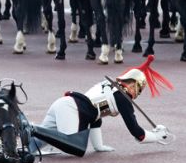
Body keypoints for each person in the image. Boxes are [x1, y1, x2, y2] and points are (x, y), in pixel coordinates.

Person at [30, 55, 174, 155]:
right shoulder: (122, 98)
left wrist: (98, 146)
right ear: (133, 85)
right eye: (139, 89)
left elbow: (95, 118)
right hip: (72, 109)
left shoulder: (108, 87)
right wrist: (157, 136)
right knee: (76, 147)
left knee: (36, 142)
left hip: (63, 104)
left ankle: (29, 134)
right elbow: (138, 134)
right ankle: (33, 127)